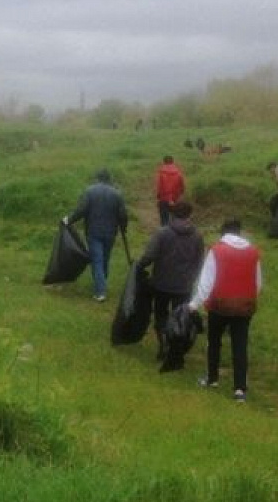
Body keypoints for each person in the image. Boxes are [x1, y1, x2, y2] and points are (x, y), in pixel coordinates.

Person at [190, 219, 262, 402]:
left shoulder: (217, 251)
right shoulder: (253, 253)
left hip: (219, 305)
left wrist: (194, 304)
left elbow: (206, 283)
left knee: (214, 341)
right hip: (244, 307)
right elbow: (258, 283)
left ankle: (212, 378)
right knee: (240, 346)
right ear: (240, 233)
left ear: (223, 233)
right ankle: (240, 388)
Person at [136, 200, 203, 369]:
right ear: (189, 215)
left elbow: (150, 255)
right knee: (180, 319)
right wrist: (191, 277)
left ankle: (163, 343)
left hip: (162, 283)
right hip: (184, 286)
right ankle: (176, 350)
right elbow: (199, 261)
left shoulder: (162, 233)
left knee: (161, 315)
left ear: (172, 215)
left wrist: (139, 265)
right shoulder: (197, 236)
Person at [64, 169, 129, 302]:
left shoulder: (89, 191)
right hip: (111, 232)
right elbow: (123, 215)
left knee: (97, 260)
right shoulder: (117, 194)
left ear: (97, 178)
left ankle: (100, 291)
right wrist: (123, 228)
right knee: (104, 259)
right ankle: (101, 284)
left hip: (94, 232)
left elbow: (81, 210)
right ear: (109, 179)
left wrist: (68, 220)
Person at [154, 156, 185, 226]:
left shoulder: (161, 173)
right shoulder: (178, 173)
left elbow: (159, 187)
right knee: (175, 218)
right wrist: (180, 195)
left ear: (164, 162)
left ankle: (165, 233)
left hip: (163, 199)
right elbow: (182, 187)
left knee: (164, 219)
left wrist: (158, 196)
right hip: (175, 199)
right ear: (173, 162)